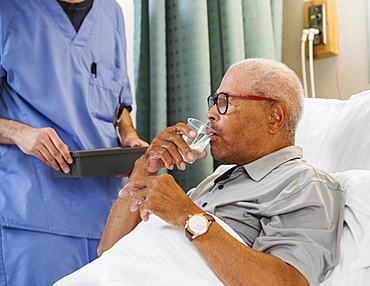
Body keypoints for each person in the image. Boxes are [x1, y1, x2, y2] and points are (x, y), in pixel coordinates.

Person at [56, 58, 345, 286]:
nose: (210, 114)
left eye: (225, 102)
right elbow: (109, 253)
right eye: (213, 102)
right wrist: (145, 168)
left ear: (275, 117)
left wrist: (186, 213)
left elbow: (288, 282)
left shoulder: (305, 184)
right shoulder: (215, 182)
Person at [0, 0, 148, 285]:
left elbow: (119, 104)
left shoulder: (112, 12)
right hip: (34, 217)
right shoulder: (9, 10)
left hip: (108, 217)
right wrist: (20, 133)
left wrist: (128, 134)